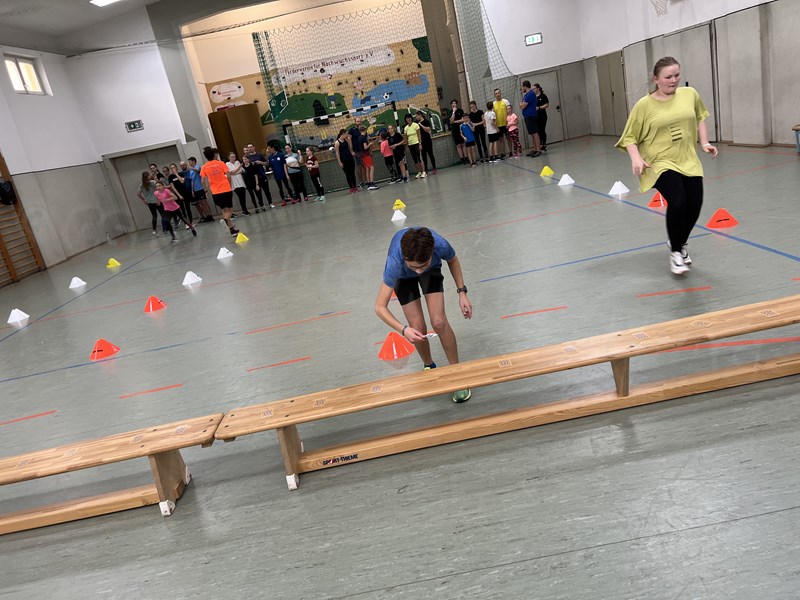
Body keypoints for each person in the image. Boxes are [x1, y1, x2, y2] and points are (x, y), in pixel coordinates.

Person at [616, 56, 717, 275]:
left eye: (677, 75)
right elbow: (629, 137)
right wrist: (636, 158)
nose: (674, 80)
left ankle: (679, 242)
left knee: (695, 204)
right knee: (678, 200)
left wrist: (705, 143)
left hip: (687, 159)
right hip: (658, 162)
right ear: (656, 79)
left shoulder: (690, 94)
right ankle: (676, 254)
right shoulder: (644, 105)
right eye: (668, 77)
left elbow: (700, 116)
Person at [374, 226, 473, 403]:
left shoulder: (439, 244)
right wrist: (403, 330)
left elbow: (453, 260)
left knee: (439, 322)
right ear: (405, 258)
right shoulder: (395, 261)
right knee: (417, 328)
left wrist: (462, 292)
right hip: (403, 279)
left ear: (432, 252)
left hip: (432, 272)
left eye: (422, 265)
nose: (418, 271)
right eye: (413, 266)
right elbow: (380, 307)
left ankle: (456, 373)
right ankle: (429, 365)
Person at [199, 146, 239, 238]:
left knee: (223, 209)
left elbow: (202, 180)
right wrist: (229, 185)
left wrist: (205, 190)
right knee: (230, 209)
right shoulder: (220, 163)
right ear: (214, 155)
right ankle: (225, 220)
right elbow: (228, 175)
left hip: (215, 192)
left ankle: (231, 230)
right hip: (225, 189)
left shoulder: (204, 167)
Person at [245, 143, 274, 209]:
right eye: (248, 147)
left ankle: (270, 203)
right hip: (254, 178)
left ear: (254, 147)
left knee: (267, 191)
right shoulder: (248, 157)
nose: (250, 148)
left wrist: (260, 162)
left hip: (262, 175)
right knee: (258, 193)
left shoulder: (259, 155)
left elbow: (266, 163)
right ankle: (262, 205)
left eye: (251, 147)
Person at [186, 157, 214, 222]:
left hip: (200, 188)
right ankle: (206, 216)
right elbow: (192, 181)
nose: (189, 163)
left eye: (190, 162)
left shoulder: (197, 167)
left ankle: (210, 215)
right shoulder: (190, 171)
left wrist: (191, 168)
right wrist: (192, 190)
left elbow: (198, 171)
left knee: (204, 202)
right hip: (195, 189)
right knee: (201, 203)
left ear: (193, 161)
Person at [520, 81, 542, 158]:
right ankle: (535, 149)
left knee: (535, 133)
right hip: (527, 116)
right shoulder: (526, 95)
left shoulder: (530, 94)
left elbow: (522, 106)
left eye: (523, 87)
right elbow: (522, 104)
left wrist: (521, 104)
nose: (522, 88)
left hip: (531, 116)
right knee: (532, 133)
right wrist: (521, 104)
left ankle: (538, 150)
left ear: (525, 86)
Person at [169, 162, 194, 227]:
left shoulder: (181, 174)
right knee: (182, 209)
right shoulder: (170, 177)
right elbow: (173, 187)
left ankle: (191, 222)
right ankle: (186, 224)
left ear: (176, 168)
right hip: (178, 195)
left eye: (174, 167)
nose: (173, 169)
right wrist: (179, 195)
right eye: (171, 168)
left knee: (188, 208)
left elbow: (182, 181)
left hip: (185, 193)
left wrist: (176, 174)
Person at [334, 129, 358, 193]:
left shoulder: (346, 140)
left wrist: (350, 141)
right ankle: (351, 187)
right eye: (346, 134)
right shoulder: (337, 143)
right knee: (347, 174)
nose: (347, 135)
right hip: (344, 160)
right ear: (343, 134)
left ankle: (355, 186)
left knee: (352, 173)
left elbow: (350, 148)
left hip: (350, 158)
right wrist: (339, 162)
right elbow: (337, 153)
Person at [402, 113, 425, 179]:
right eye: (407, 118)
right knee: (415, 159)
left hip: (416, 143)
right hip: (410, 144)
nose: (408, 119)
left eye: (409, 118)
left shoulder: (416, 125)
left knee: (419, 158)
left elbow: (419, 135)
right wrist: (407, 146)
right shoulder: (406, 128)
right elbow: (406, 138)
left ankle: (423, 172)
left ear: (411, 118)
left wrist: (420, 144)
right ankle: (419, 172)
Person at [492, 88, 512, 160]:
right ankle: (503, 153)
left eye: (498, 93)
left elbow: (509, 112)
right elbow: (492, 115)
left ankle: (511, 152)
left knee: (508, 138)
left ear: (501, 93)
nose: (497, 94)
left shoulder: (505, 101)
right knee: (501, 140)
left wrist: (509, 122)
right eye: (496, 93)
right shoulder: (493, 104)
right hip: (498, 125)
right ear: (494, 95)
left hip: (506, 124)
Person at [359, 125, 379, 190]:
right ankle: (371, 183)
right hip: (366, 154)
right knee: (371, 167)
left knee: (367, 168)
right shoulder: (363, 138)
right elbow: (365, 147)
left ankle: (368, 182)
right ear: (365, 130)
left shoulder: (359, 138)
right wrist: (370, 144)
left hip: (362, 155)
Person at [348, 116, 365, 188]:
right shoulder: (352, 130)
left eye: (360, 121)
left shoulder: (364, 129)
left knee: (365, 165)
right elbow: (349, 140)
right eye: (358, 121)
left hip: (364, 150)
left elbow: (366, 138)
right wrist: (351, 151)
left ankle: (368, 181)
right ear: (355, 122)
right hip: (357, 151)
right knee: (359, 166)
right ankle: (361, 182)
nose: (359, 122)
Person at [449, 99, 467, 164]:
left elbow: (463, 120)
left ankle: (466, 157)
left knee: (463, 144)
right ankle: (462, 159)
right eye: (452, 103)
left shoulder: (460, 110)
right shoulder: (450, 112)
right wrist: (453, 112)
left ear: (457, 104)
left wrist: (455, 122)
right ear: (451, 105)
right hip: (454, 130)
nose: (454, 104)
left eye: (455, 103)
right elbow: (451, 121)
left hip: (461, 128)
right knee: (458, 145)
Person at [533, 83, 550, 151]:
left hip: (542, 115)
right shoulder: (533, 97)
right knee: (537, 131)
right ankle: (539, 144)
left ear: (538, 88)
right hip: (535, 116)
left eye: (534, 89)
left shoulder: (543, 95)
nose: (533, 90)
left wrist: (539, 107)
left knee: (542, 130)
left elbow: (547, 105)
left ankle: (544, 144)